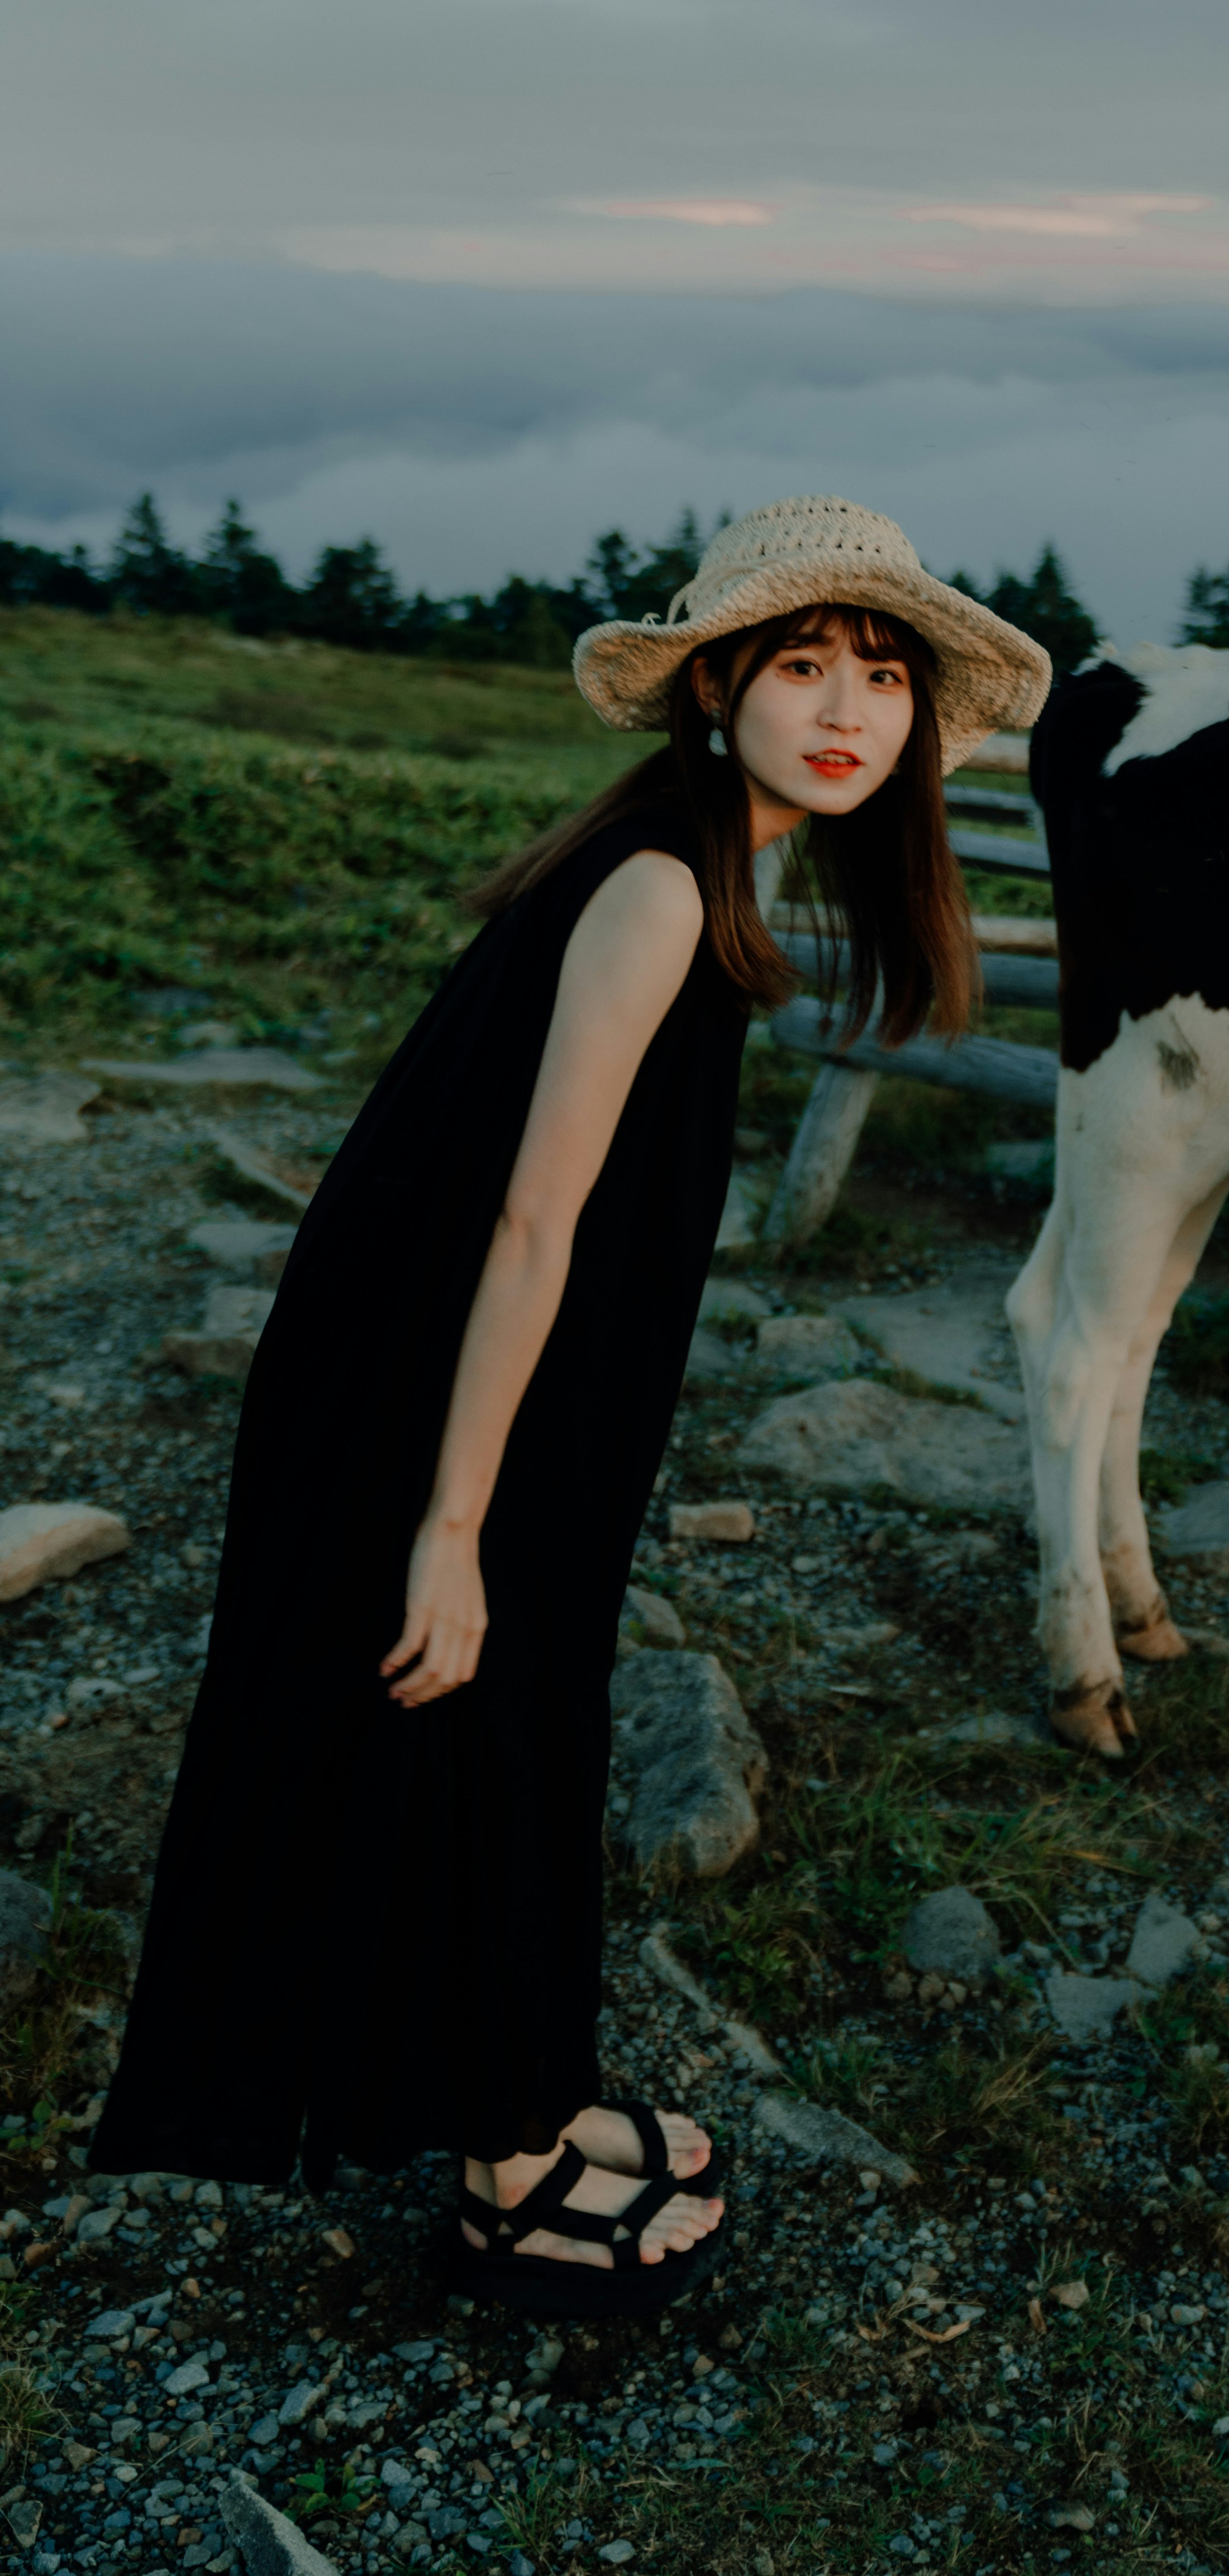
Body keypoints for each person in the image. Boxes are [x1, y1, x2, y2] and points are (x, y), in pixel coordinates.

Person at [91, 497, 1049, 2316]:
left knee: (514, 1717)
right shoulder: (664, 885)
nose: (844, 708)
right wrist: (448, 1525)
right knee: (472, 1710)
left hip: (503, 1368)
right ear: (712, 687)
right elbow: (532, 1219)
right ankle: (511, 2172)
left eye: (879, 677)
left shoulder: (698, 857)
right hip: (443, 1377)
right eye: (799, 664)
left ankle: (516, 2095)